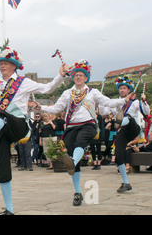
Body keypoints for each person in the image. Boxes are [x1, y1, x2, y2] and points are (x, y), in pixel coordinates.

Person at [0, 42, 68, 214]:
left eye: (5, 63)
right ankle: (9, 209)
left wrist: (60, 76)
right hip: (1, 130)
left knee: (2, 115)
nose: (2, 65)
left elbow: (47, 89)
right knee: (2, 168)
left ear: (14, 65)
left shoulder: (24, 82)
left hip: (19, 125)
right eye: (0, 63)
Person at [34, 60, 135, 206]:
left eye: (81, 75)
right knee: (71, 153)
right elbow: (56, 108)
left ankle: (73, 162)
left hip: (88, 125)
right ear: (73, 77)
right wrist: (41, 107)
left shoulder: (93, 92)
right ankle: (77, 192)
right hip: (71, 127)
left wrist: (124, 100)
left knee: (79, 144)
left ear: (86, 78)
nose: (78, 77)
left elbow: (108, 103)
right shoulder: (67, 93)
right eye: (76, 75)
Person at [99, 76, 149, 192]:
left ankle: (120, 121)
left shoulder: (135, 102)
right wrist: (100, 103)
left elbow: (146, 112)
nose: (122, 90)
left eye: (124, 88)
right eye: (120, 88)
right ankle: (126, 183)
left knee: (128, 117)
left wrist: (144, 101)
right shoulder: (116, 103)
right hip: (122, 131)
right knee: (118, 157)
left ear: (128, 90)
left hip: (133, 128)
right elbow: (103, 112)